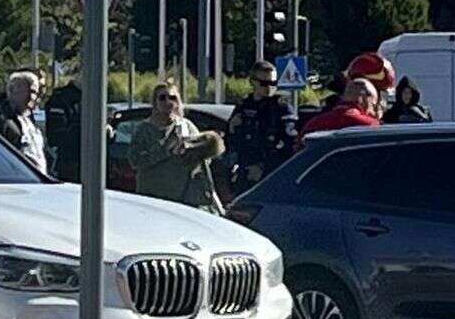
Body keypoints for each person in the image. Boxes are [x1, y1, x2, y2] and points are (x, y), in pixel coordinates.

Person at [128, 83, 226, 212]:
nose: (168, 101)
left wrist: (199, 147)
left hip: (184, 200)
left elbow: (203, 158)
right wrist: (165, 149)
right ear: (155, 102)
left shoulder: (186, 126)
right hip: (153, 198)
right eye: (162, 98)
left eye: (172, 98)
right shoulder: (144, 129)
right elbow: (135, 161)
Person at [225, 61, 301, 194]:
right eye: (264, 83)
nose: (269, 88)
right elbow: (231, 141)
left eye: (273, 83)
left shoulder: (281, 108)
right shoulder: (244, 106)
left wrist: (264, 167)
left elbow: (290, 146)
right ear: (252, 82)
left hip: (271, 174)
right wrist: (231, 129)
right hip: (244, 171)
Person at [0, 70, 50, 175]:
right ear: (12, 90)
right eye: (31, 91)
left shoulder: (29, 119)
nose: (35, 98)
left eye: (37, 93)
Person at [300, 78, 382, 138]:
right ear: (365, 98)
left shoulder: (313, 123)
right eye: (373, 105)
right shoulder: (370, 126)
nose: (372, 111)